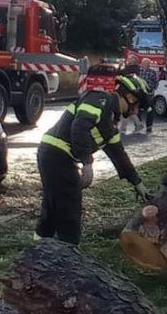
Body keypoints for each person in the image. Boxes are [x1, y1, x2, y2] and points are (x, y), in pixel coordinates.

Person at [36, 74, 156, 244]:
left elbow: (119, 156)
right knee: (70, 208)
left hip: (54, 155)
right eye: (137, 106)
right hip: (56, 154)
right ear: (129, 97)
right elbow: (79, 127)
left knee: (53, 205)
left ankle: (39, 247)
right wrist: (87, 163)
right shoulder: (100, 100)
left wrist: (138, 184)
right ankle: (68, 252)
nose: (135, 112)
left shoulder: (110, 123)